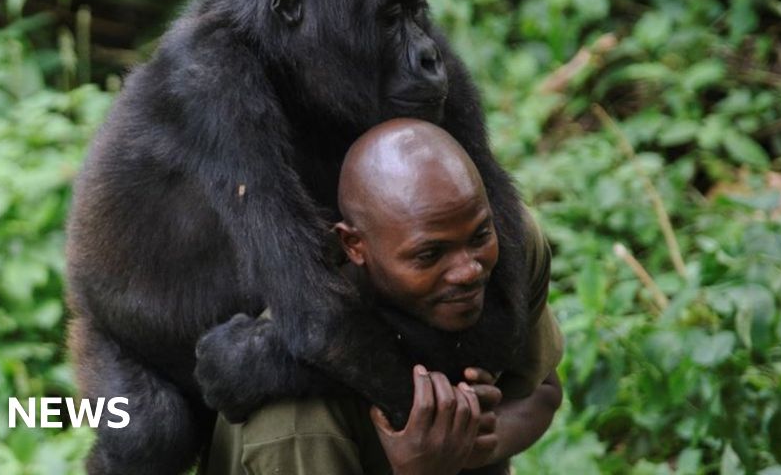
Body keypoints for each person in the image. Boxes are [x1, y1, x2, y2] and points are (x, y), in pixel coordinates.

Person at [201, 119, 563, 475]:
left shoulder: (509, 249)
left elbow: (542, 390)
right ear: (354, 246)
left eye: (480, 235)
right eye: (430, 255)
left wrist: (477, 439)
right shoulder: (297, 421)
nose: (468, 271)